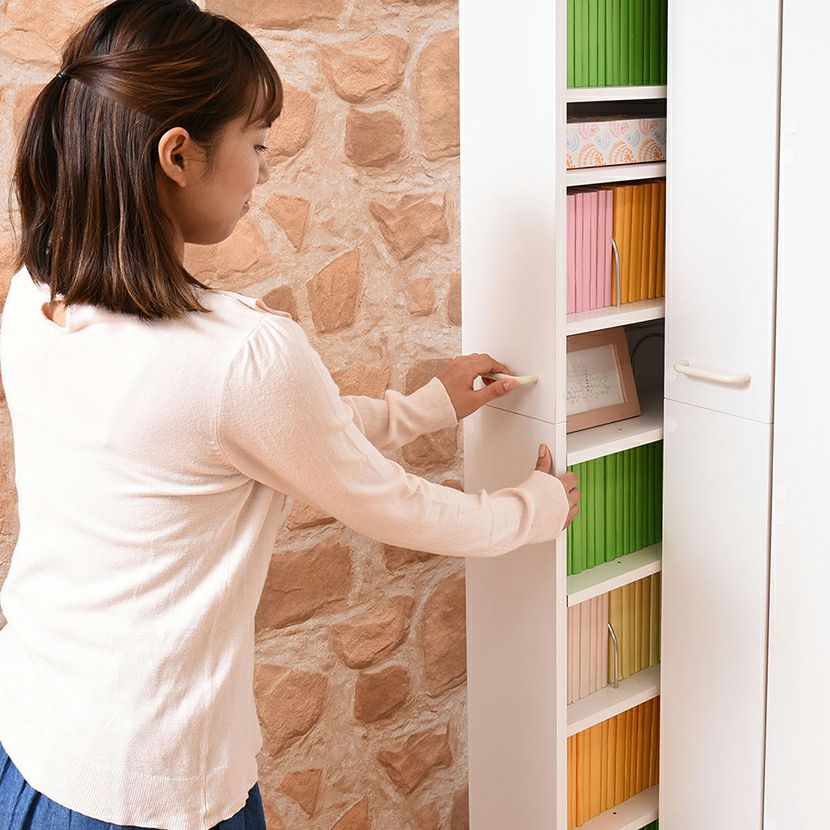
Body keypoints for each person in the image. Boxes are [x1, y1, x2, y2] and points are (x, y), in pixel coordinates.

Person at [0, 1, 581, 828]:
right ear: (178, 154)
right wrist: (533, 509)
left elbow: (243, 435)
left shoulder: (38, 296)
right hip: (150, 793)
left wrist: (428, 407)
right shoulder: (240, 355)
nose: (263, 175)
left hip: (29, 743)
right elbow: (389, 503)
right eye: (257, 144)